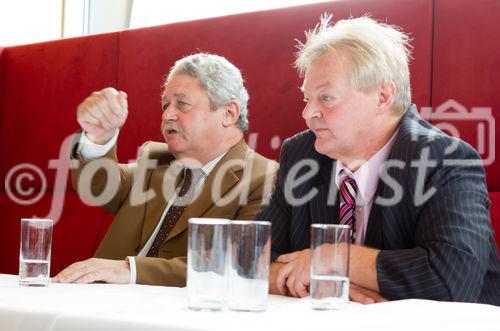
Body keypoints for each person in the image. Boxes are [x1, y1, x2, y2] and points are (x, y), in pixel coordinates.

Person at [257, 15, 500, 305]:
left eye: (326, 98)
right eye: (306, 99)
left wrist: (332, 258)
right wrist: (330, 287)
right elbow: (252, 259)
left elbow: (450, 281)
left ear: (382, 96)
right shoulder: (301, 154)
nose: (308, 113)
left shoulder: (446, 160)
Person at [53, 53, 278, 286]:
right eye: (165, 105)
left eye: (182, 104)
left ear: (229, 113)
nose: (167, 115)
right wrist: (98, 137)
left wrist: (130, 270)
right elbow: (97, 186)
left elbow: (232, 265)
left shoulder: (265, 178)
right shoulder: (156, 161)